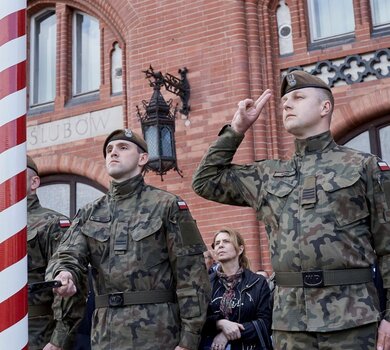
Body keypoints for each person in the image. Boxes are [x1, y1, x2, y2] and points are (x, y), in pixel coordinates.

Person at [192, 70, 390, 349]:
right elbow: (205, 181)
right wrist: (237, 128)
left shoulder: (363, 167)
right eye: (284, 99)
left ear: (325, 107)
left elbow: (388, 245)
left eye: (298, 97)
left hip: (353, 320)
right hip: (290, 323)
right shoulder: (269, 175)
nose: (286, 104)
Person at [46, 129, 211, 350]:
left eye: (123, 148)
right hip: (106, 336)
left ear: (143, 158)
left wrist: (189, 340)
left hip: (158, 333)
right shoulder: (89, 213)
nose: (114, 153)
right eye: (109, 150)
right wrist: (64, 273)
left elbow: (192, 274)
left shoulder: (168, 205)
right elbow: (68, 255)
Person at [27, 155, 84, 350]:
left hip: (37, 331)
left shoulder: (52, 223)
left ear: (34, 182)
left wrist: (59, 340)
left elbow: (68, 285)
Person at [199, 227, 273, 350]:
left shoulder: (257, 282)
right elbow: (197, 319)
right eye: (217, 243)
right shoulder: (205, 283)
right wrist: (220, 323)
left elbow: (265, 323)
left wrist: (227, 334)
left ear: (240, 249)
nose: (220, 245)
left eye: (226, 241)